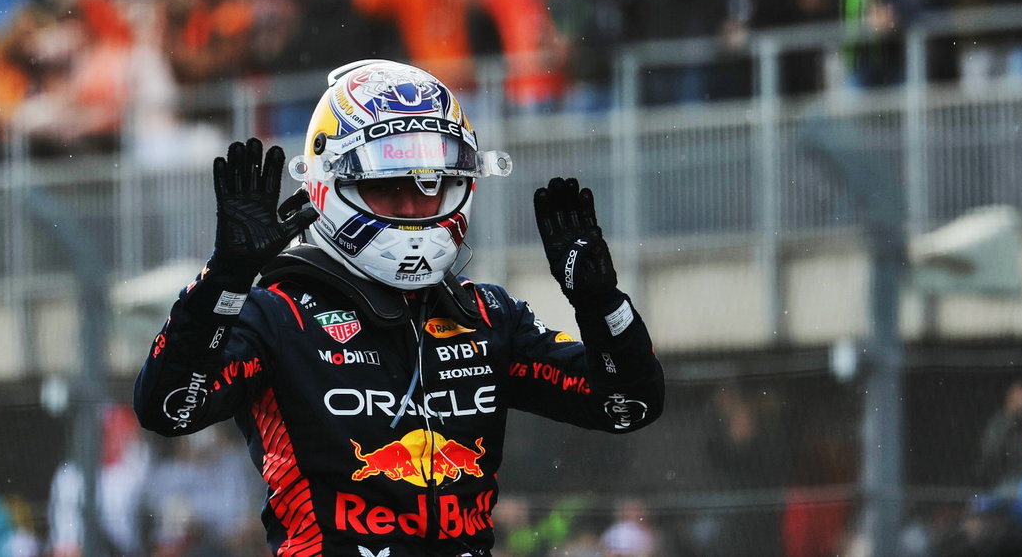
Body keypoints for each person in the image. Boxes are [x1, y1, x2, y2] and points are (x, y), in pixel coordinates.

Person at [132, 58, 665, 557]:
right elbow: (167, 407)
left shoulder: (489, 317)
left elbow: (628, 405)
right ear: (332, 187)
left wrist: (602, 307)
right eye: (389, 189)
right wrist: (224, 279)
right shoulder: (278, 315)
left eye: (428, 189)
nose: (412, 209)